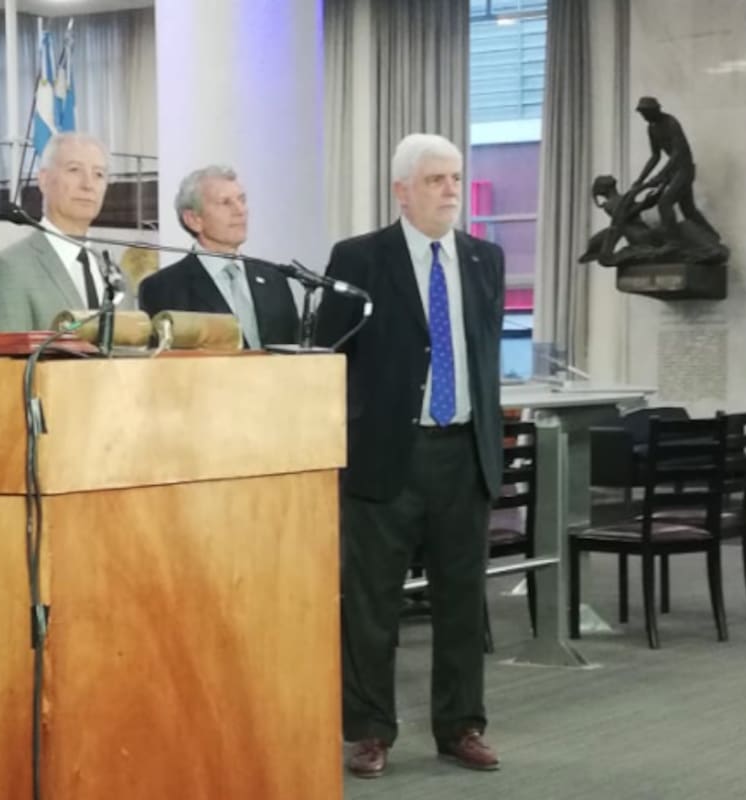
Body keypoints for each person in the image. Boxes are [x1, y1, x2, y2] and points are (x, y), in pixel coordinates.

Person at [315, 133, 505, 779]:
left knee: (461, 602)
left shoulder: (485, 259)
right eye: (434, 180)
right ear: (402, 190)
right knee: (372, 606)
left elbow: (483, 355)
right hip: (387, 457)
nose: (450, 190)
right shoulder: (358, 257)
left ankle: (462, 726)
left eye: (454, 178)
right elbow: (328, 359)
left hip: (464, 456)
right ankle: (369, 732)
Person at [137, 165, 298, 348]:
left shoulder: (275, 280)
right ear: (194, 219)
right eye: (225, 202)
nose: (241, 210)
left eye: (242, 200)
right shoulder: (163, 288)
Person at [0, 133, 120, 331]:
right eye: (74, 170)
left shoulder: (114, 273)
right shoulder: (8, 269)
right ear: (44, 180)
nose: (88, 185)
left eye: (99, 174)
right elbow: (6, 360)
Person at [632, 96, 721, 241]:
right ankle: (712, 237)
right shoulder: (652, 128)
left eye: (645, 113)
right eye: (642, 113)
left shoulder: (670, 123)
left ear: (655, 111)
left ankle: (672, 241)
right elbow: (655, 156)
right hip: (675, 171)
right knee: (689, 210)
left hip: (684, 169)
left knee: (664, 203)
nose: (643, 116)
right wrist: (640, 180)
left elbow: (678, 152)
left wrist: (662, 174)